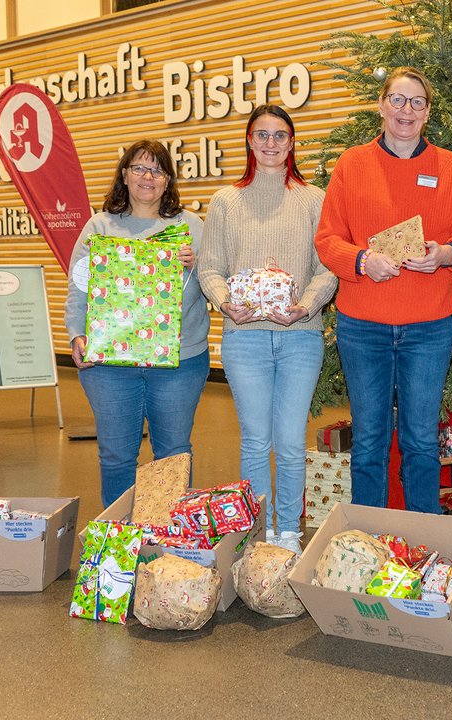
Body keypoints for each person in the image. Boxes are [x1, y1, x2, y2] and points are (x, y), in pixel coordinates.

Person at [314, 67, 452, 513]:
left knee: (421, 442)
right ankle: (367, 545)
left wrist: (444, 254)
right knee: (369, 441)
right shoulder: (353, 164)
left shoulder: (449, 167)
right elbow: (328, 239)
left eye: (416, 102)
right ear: (381, 105)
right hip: (362, 327)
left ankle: (423, 541)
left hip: (428, 327)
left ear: (428, 111)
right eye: (397, 100)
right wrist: (363, 261)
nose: (405, 111)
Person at [197, 105, 336, 554]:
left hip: (300, 336)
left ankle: (290, 531)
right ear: (250, 141)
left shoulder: (314, 199)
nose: (271, 144)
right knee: (256, 441)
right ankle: (258, 530)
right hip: (245, 338)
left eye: (281, 135)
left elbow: (327, 268)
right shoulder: (225, 202)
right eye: (262, 135)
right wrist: (225, 303)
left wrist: (305, 306)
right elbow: (210, 267)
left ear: (292, 142)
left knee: (291, 442)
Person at [65, 140, 210, 507]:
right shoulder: (99, 226)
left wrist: (197, 266)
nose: (148, 177)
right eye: (140, 168)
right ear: (125, 175)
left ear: (168, 180)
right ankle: (118, 543)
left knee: (174, 455)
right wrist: (77, 335)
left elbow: (215, 282)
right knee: (116, 457)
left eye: (158, 170)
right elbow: (79, 288)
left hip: (181, 360)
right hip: (110, 364)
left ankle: (168, 542)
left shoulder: (191, 226)